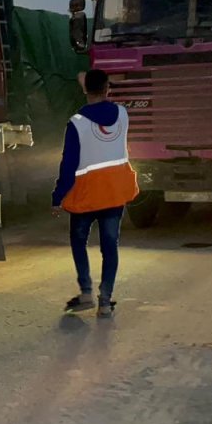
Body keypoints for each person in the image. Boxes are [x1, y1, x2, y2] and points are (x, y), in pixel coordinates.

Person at [51, 69, 140, 317]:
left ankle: (86, 291)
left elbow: (68, 164)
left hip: (86, 195)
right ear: (108, 88)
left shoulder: (77, 123)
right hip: (114, 192)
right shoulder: (122, 114)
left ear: (85, 89)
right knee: (110, 245)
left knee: (78, 240)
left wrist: (58, 197)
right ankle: (105, 299)